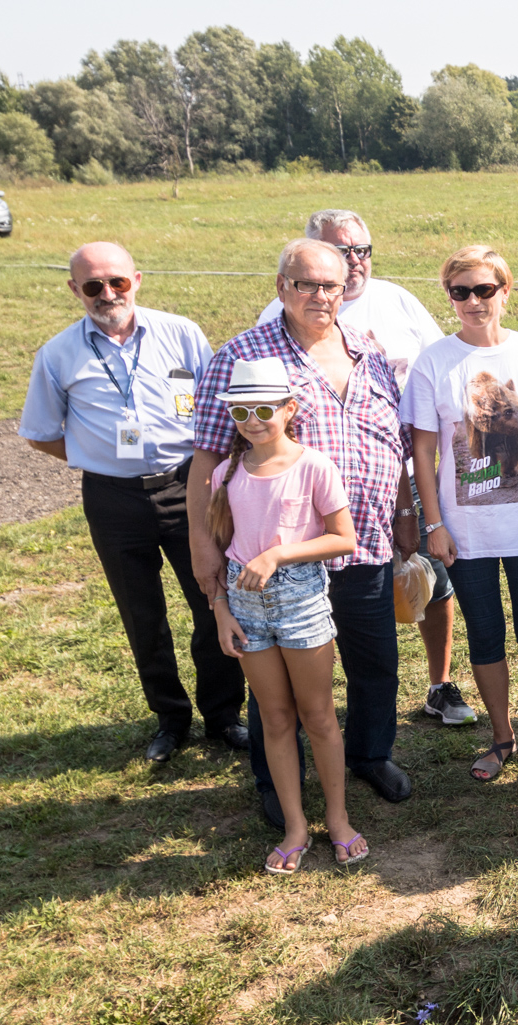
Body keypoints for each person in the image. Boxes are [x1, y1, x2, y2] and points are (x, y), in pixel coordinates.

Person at [189, 238, 414, 829]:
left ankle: (370, 754)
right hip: (279, 563)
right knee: (277, 679)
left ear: (348, 288)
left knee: (375, 662)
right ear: (282, 286)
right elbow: (208, 459)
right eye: (306, 284)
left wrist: (407, 507)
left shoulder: (367, 349)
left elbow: (393, 441)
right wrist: (201, 543)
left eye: (331, 285)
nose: (320, 296)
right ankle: (274, 779)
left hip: (362, 540)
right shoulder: (244, 356)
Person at [19, 241, 246, 762]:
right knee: (142, 614)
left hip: (188, 484)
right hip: (113, 498)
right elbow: (39, 432)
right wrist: (94, 455)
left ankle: (224, 715)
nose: (107, 294)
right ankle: (170, 720)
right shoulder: (58, 354)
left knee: (215, 600)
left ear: (136, 280)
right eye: (93, 285)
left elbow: (215, 408)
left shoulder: (181, 333)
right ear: (74, 289)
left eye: (116, 282)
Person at [257, 210, 466, 728]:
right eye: (339, 255)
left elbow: (442, 361)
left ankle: (438, 685)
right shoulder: (268, 324)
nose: (354, 264)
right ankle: (310, 707)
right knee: (319, 605)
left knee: (430, 580)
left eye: (362, 251)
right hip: (305, 502)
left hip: (396, 475)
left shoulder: (396, 302)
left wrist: (407, 499)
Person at [403, 246, 518, 788]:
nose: (474, 302)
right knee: (484, 634)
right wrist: (434, 523)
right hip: (464, 530)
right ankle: (502, 737)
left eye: (485, 290)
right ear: (449, 296)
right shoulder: (434, 360)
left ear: (505, 290)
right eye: (461, 292)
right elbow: (424, 454)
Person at [205, 360, 364, 872]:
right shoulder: (224, 473)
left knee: (317, 716)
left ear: (289, 409)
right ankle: (296, 826)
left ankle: (337, 819)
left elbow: (343, 538)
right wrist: (221, 611)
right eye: (242, 411)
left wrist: (277, 555)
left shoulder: (314, 465)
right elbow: (224, 546)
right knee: (274, 718)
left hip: (300, 602)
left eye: (265, 409)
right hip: (244, 605)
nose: (254, 420)